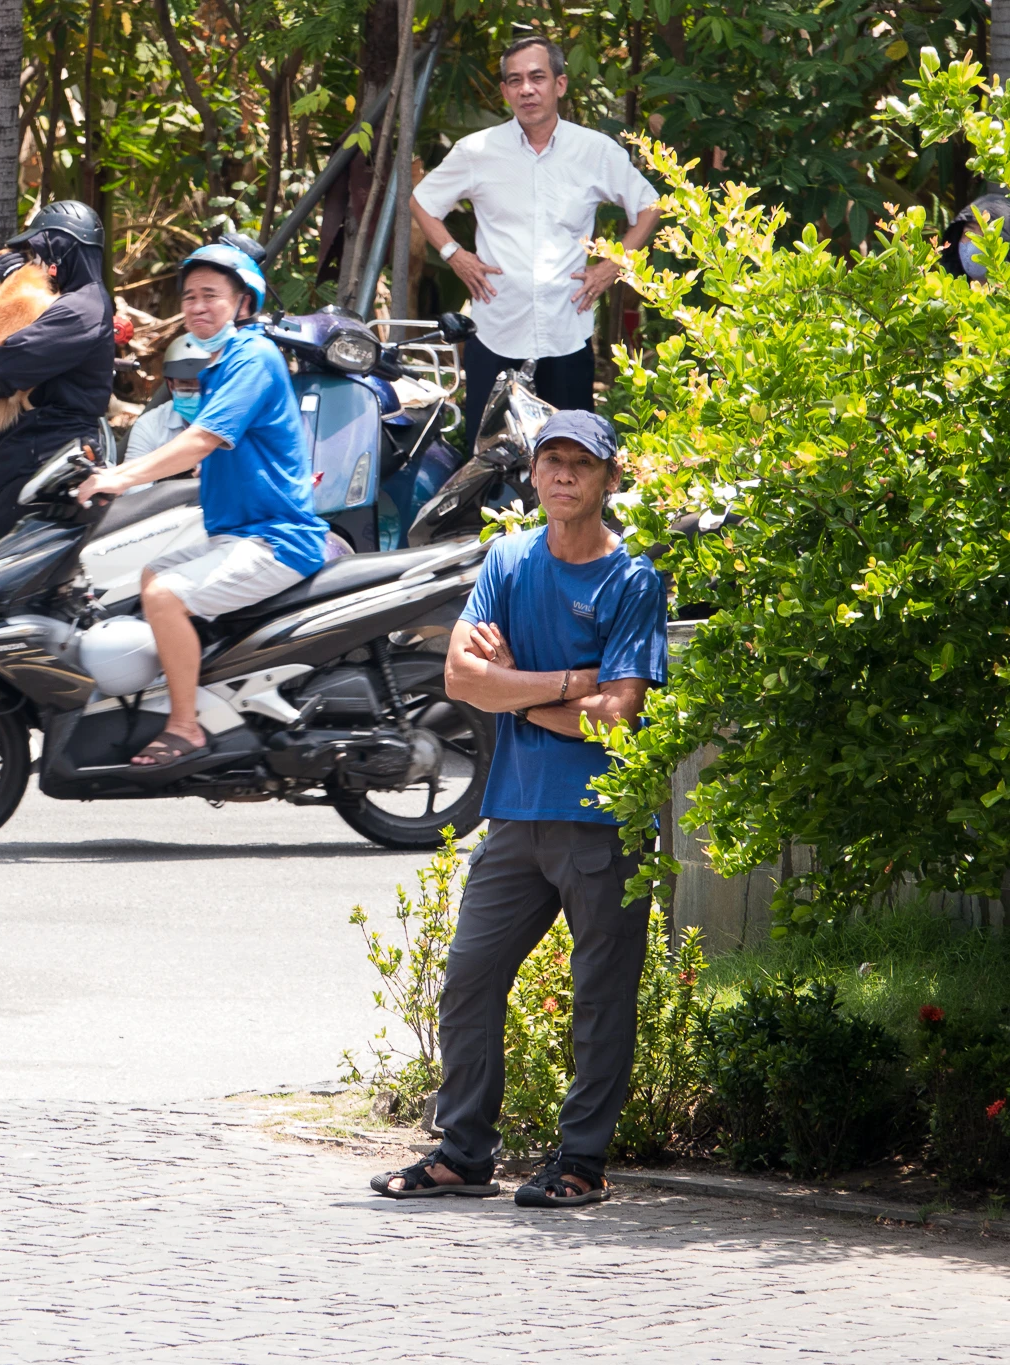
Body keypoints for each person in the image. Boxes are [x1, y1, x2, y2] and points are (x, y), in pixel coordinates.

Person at [370, 409, 667, 1208]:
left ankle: (581, 1164)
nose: (564, 474)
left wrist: (519, 697)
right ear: (532, 475)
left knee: (600, 996)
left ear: (610, 476)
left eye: (581, 462)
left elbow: (619, 716)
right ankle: (464, 1153)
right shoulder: (507, 559)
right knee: (469, 978)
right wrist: (568, 683)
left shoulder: (633, 577)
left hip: (602, 820)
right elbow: (463, 680)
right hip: (513, 817)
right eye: (551, 461)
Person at [74, 243, 330, 767]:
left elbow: (200, 440)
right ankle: (202, 696)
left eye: (211, 295)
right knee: (152, 577)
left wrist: (121, 477)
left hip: (277, 539)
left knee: (166, 596)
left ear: (243, 303)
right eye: (189, 296)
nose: (196, 306)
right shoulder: (224, 361)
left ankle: (185, 726)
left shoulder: (253, 357)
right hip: (242, 535)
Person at [408, 34, 661, 437]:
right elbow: (422, 201)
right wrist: (455, 253)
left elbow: (649, 206)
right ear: (505, 91)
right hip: (496, 331)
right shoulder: (477, 151)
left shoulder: (594, 151)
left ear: (559, 85)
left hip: (567, 333)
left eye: (537, 77)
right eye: (515, 80)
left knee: (570, 457)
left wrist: (613, 266)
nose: (527, 89)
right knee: (489, 460)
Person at [0, 199, 117, 558]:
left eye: (37, 250)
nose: (32, 262)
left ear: (61, 247)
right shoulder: (72, 303)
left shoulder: (80, 309)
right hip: (34, 465)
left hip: (47, 464)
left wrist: (7, 296)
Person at [123, 333, 216, 463]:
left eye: (203, 385)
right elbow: (133, 478)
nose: (196, 394)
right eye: (185, 384)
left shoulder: (234, 421)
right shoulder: (151, 426)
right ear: (170, 385)